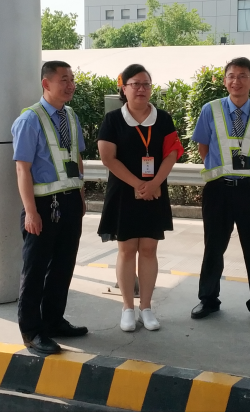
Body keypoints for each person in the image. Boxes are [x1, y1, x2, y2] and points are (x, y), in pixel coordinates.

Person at [190, 57, 250, 326]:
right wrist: (220, 171)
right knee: (213, 247)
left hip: (249, 190)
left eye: (242, 76)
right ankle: (208, 299)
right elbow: (203, 146)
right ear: (224, 80)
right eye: (231, 76)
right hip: (218, 189)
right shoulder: (210, 110)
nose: (236, 81)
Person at [97, 64, 183, 332]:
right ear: (124, 88)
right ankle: (127, 308)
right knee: (126, 250)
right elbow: (107, 158)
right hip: (124, 192)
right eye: (135, 84)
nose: (141, 89)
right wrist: (138, 184)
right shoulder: (113, 119)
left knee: (148, 249)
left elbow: (172, 153)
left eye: (146, 84)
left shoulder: (163, 119)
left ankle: (146, 307)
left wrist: (154, 183)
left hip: (154, 192)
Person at [11, 61, 88, 354]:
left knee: (63, 266)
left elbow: (76, 158)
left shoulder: (71, 116)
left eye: (72, 79)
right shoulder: (30, 120)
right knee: (35, 270)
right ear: (46, 84)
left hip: (70, 202)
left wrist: (81, 194)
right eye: (63, 79)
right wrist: (30, 211)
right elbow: (22, 169)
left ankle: (54, 321)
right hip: (43, 205)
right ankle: (32, 331)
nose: (70, 85)